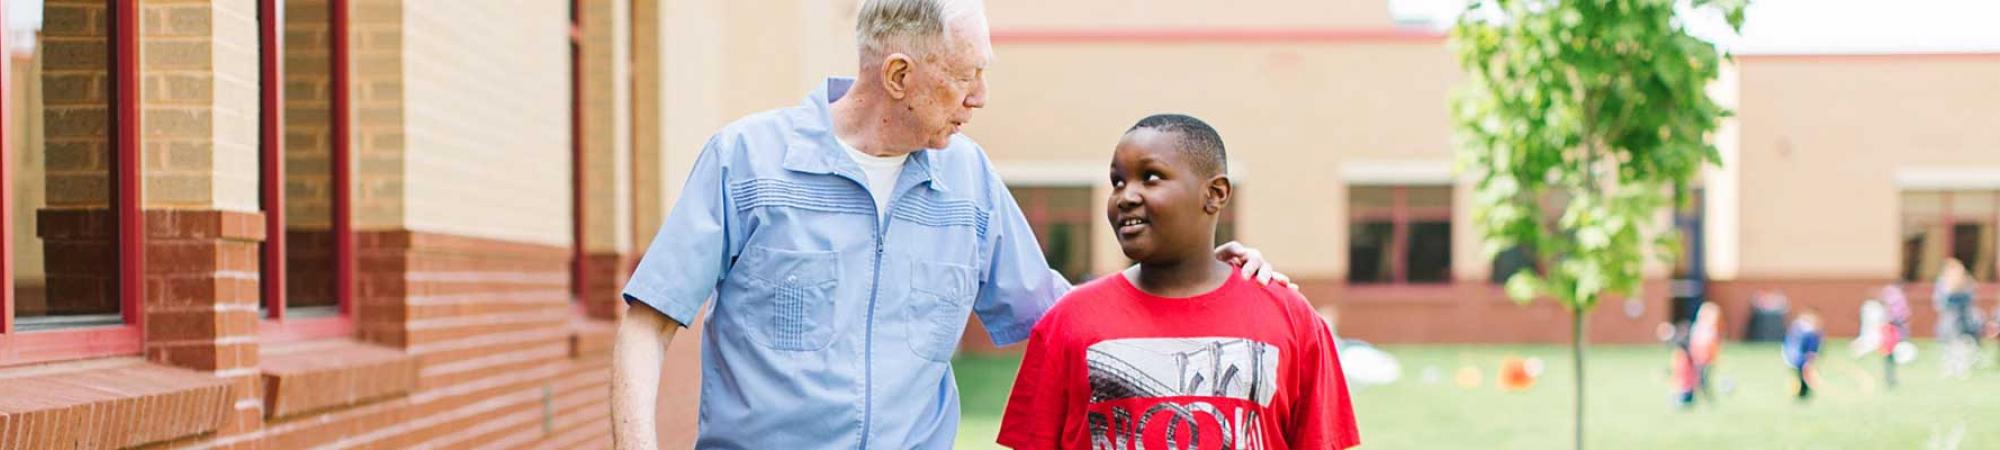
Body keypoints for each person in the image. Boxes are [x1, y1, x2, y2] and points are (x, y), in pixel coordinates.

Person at [606, 2, 1290, 448]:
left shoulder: (968, 182)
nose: (981, 97)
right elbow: (647, 323)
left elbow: (1064, 320)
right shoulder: (747, 162)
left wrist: (1192, 273)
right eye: (966, 76)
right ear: (900, 74)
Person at [995, 115, 1359, 449]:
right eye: (1117, 182)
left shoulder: (1291, 317)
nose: (1126, 196)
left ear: (1214, 194)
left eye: (1150, 177)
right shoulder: (1069, 319)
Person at [1782, 308, 1822, 399]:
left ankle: (1800, 390)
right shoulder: (1808, 332)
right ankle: (1802, 390)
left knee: (1799, 374)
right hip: (1798, 357)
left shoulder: (1797, 327)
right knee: (1803, 373)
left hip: (1792, 355)